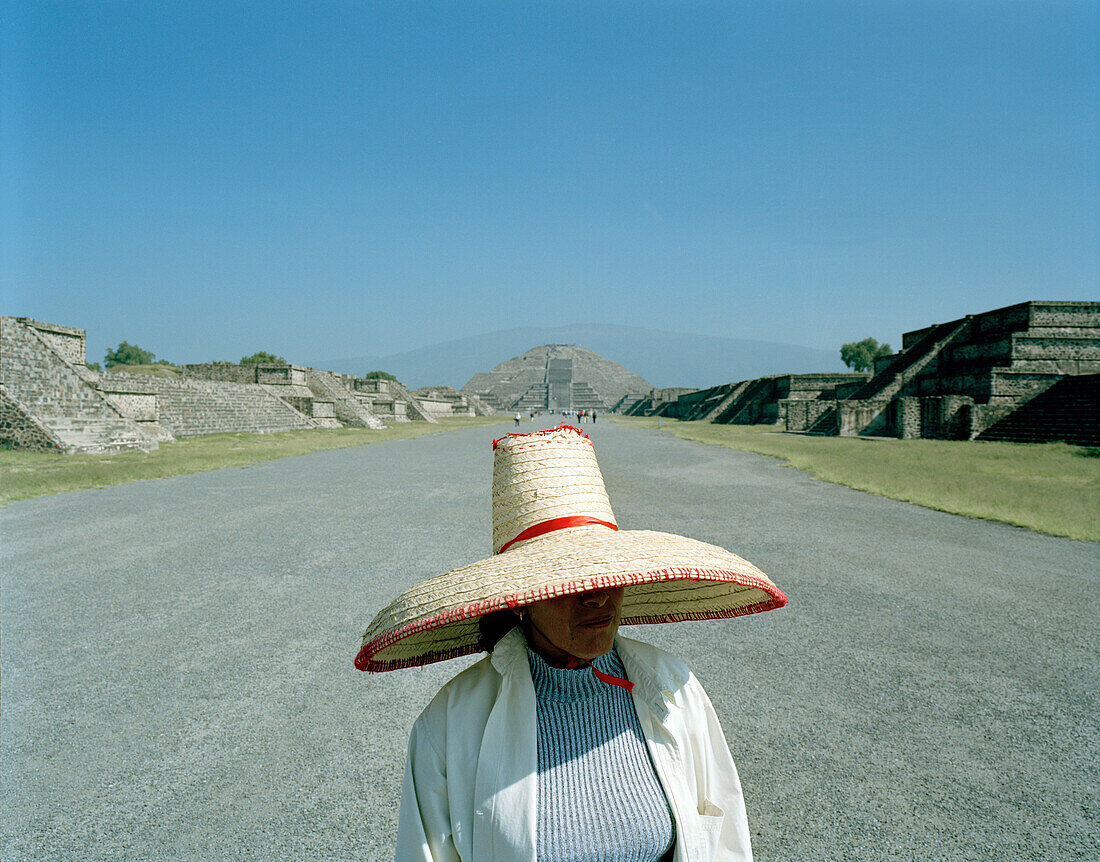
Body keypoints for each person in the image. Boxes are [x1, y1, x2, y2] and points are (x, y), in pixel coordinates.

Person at [355, 424, 787, 861]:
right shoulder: (450, 725)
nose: (598, 595)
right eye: (567, 582)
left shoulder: (675, 688)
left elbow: (724, 839)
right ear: (520, 601)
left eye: (609, 574)